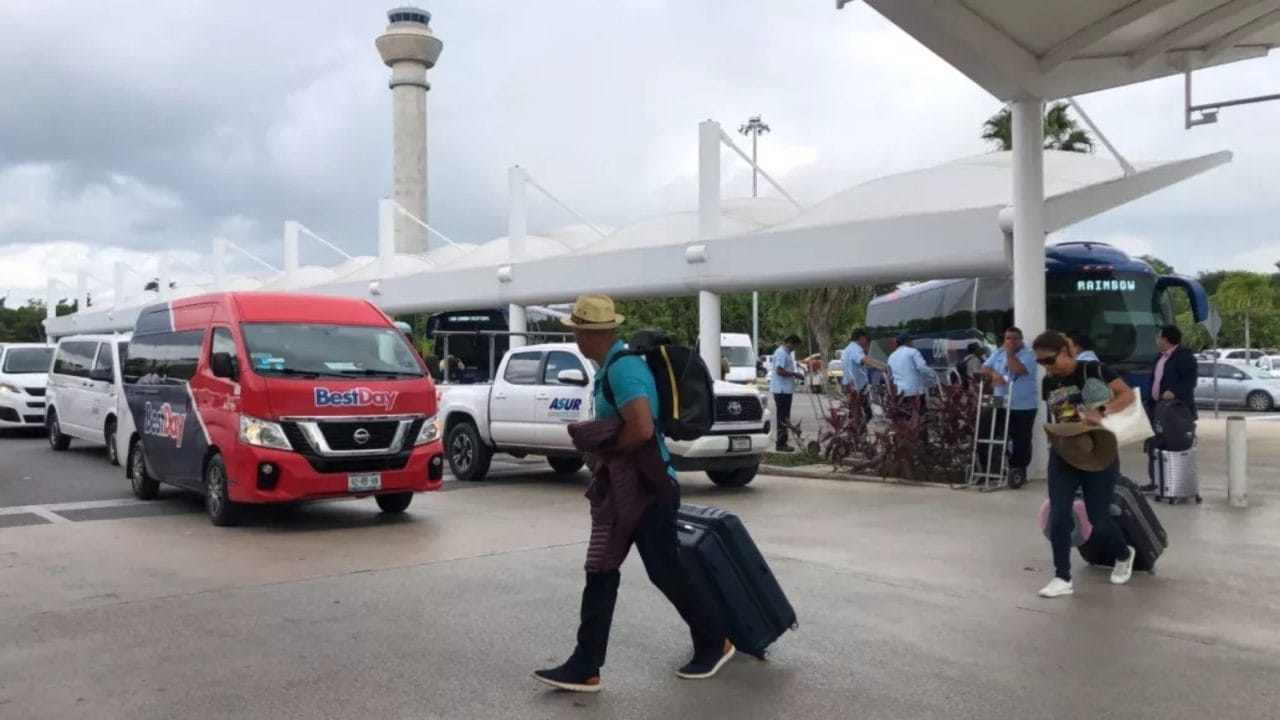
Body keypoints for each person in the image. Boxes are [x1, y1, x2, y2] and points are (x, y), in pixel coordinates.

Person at [534, 295, 732, 693]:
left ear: (586, 333)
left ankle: (716, 641)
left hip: (649, 489)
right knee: (601, 569)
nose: (574, 335)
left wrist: (601, 449)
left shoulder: (624, 370)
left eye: (576, 329)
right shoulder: (611, 368)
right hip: (626, 489)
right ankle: (585, 665)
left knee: (664, 571)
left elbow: (641, 429)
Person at [1032, 331, 1137, 598]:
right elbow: (1057, 414)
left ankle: (1124, 553)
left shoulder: (1096, 369)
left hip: (1099, 451)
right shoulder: (1049, 381)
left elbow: (1127, 395)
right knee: (1058, 517)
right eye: (1040, 362)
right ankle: (1062, 577)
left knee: (1099, 520)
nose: (1046, 366)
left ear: (1066, 352)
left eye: (1050, 359)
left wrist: (1101, 411)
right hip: (1065, 452)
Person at [980, 327, 1038, 488]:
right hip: (1000, 401)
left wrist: (1010, 354)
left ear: (1021, 340)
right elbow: (983, 368)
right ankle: (989, 467)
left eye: (1014, 339)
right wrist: (993, 374)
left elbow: (1017, 370)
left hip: (1022, 405)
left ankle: (1018, 470)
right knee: (987, 430)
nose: (1010, 342)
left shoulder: (1028, 355)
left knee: (1021, 439)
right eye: (1007, 338)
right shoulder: (998, 353)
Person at [841, 329, 887, 424]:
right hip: (856, 389)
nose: (866, 341)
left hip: (853, 387)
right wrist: (881, 366)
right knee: (860, 414)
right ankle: (858, 432)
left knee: (857, 413)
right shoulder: (855, 349)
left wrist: (880, 365)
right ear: (861, 338)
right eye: (865, 339)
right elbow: (864, 360)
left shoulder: (848, 349)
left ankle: (858, 432)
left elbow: (865, 361)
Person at [770, 335, 804, 452]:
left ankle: (783, 441)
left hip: (785, 389)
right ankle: (781, 443)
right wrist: (795, 374)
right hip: (782, 390)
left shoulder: (786, 353)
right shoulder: (781, 353)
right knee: (783, 418)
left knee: (785, 417)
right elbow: (779, 371)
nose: (795, 348)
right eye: (794, 345)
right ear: (789, 342)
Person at [887, 333, 934, 414]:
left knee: (906, 421)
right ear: (907, 342)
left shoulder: (891, 356)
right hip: (915, 393)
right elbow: (922, 368)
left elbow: (890, 376)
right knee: (920, 419)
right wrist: (932, 380)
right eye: (911, 341)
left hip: (900, 394)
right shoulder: (913, 352)